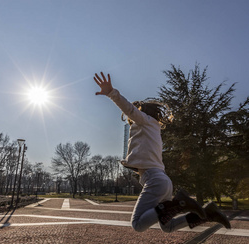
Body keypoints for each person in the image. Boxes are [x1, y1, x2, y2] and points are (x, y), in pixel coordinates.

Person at [94, 72, 231, 233]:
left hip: (155, 180)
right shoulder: (154, 129)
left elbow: (130, 110)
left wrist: (111, 92)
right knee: (168, 226)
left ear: (143, 113)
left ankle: (178, 204)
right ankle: (207, 214)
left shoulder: (145, 121)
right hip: (164, 181)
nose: (132, 119)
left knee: (137, 224)